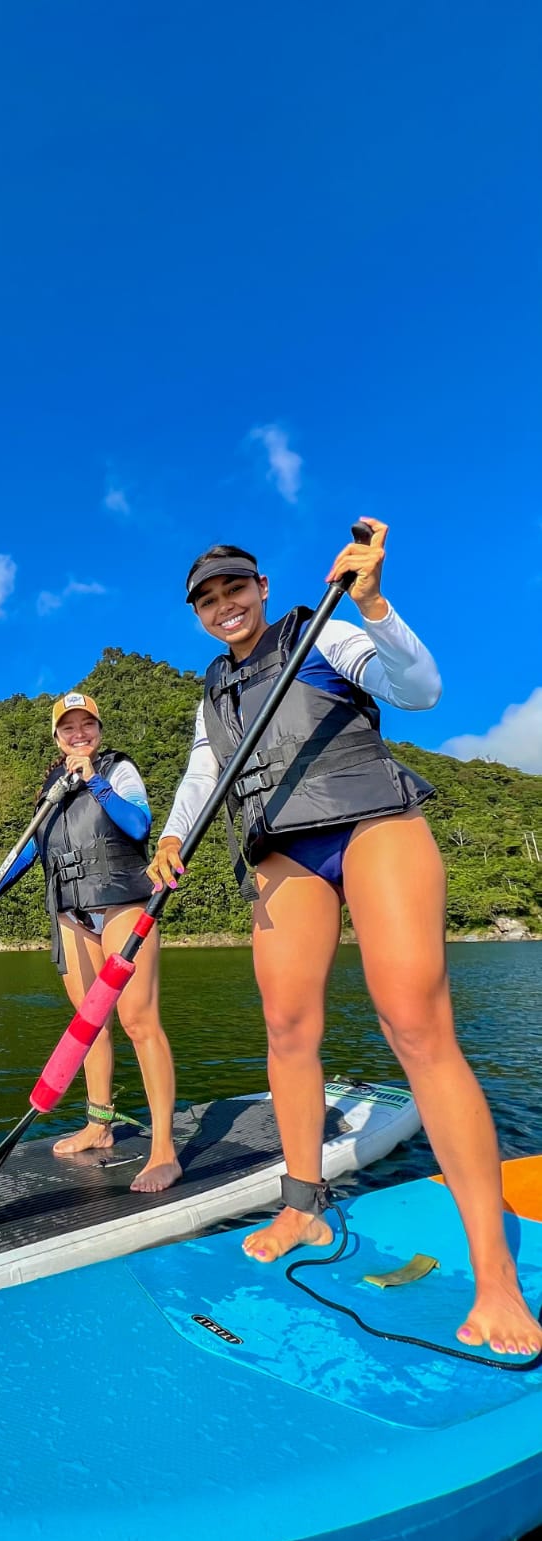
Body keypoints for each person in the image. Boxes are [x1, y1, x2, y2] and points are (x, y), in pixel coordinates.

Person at [147, 520, 542, 1356]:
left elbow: (420, 690)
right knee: (289, 1032)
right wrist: (176, 835)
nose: (225, 606)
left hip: (371, 823)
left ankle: (495, 1275)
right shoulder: (212, 690)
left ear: (259, 588)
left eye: (235, 589)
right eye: (208, 599)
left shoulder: (320, 627)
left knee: (414, 1025)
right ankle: (303, 1205)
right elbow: (204, 774)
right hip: (284, 851)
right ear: (198, 613)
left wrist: (373, 603)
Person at [0, 692, 180, 1193]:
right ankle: (99, 1125)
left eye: (86, 725)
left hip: (121, 902)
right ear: (56, 736)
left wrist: (95, 782)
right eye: (68, 728)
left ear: (98, 729)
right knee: (88, 1024)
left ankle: (164, 1148)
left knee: (138, 1021)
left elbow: (139, 824)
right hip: (71, 913)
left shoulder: (118, 769)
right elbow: (29, 852)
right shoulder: (49, 789)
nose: (78, 734)